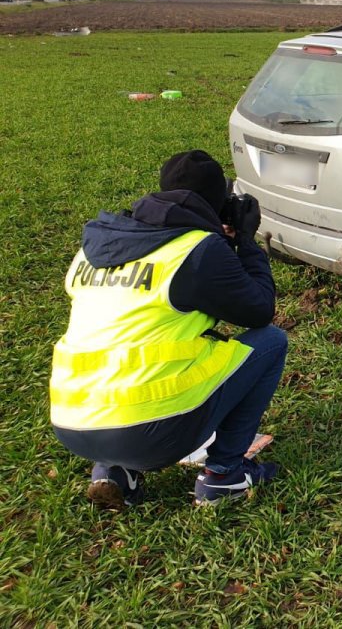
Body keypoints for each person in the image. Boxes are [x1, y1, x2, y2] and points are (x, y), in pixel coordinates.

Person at [49, 150, 287, 508]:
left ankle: (113, 472)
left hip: (71, 424)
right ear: (215, 203)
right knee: (270, 342)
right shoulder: (195, 250)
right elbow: (259, 310)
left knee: (130, 345)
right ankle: (224, 475)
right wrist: (247, 243)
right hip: (152, 432)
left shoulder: (94, 249)